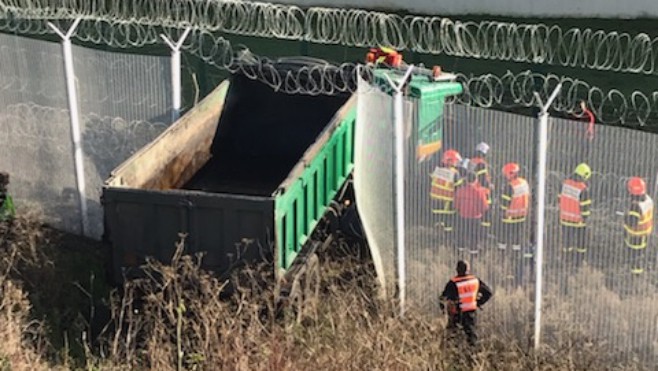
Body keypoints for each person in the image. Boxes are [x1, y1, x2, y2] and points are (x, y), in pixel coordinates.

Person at [440, 260, 493, 346]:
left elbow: (442, 298)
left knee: (451, 337)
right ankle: (472, 356)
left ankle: (451, 354)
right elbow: (489, 293)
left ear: (457, 269)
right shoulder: (475, 280)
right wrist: (478, 303)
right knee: (472, 338)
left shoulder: (453, 283)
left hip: (457, 314)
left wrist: (444, 311)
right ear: (468, 269)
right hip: (471, 314)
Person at [558, 163, 592, 268]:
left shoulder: (564, 184)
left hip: (564, 218)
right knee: (581, 243)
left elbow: (559, 199)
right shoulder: (583, 189)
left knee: (566, 242)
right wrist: (586, 218)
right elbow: (585, 209)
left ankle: (565, 261)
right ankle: (579, 263)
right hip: (578, 221)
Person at [454, 172, 489, 257]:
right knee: (474, 237)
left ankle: (459, 252)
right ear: (476, 180)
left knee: (462, 234)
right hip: (476, 218)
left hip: (463, 216)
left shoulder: (460, 190)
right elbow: (484, 206)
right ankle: (474, 254)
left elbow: (456, 205)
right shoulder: (480, 192)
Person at [624, 177, 654, 275]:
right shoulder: (648, 200)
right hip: (645, 233)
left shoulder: (635, 206)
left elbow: (632, 223)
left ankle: (634, 276)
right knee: (640, 254)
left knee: (633, 256)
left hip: (635, 236)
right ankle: (637, 272)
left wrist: (625, 217)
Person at [430, 149, 464, 235]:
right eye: (455, 161)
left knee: (438, 220)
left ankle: (436, 237)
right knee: (448, 222)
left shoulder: (436, 170)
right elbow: (459, 188)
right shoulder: (455, 173)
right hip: (448, 202)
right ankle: (447, 238)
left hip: (435, 201)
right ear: (451, 161)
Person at [470, 142, 493, 228]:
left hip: (472, 190)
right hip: (482, 191)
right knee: (486, 212)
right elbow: (482, 178)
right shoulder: (481, 163)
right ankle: (484, 232)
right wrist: (490, 186)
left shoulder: (472, 161)